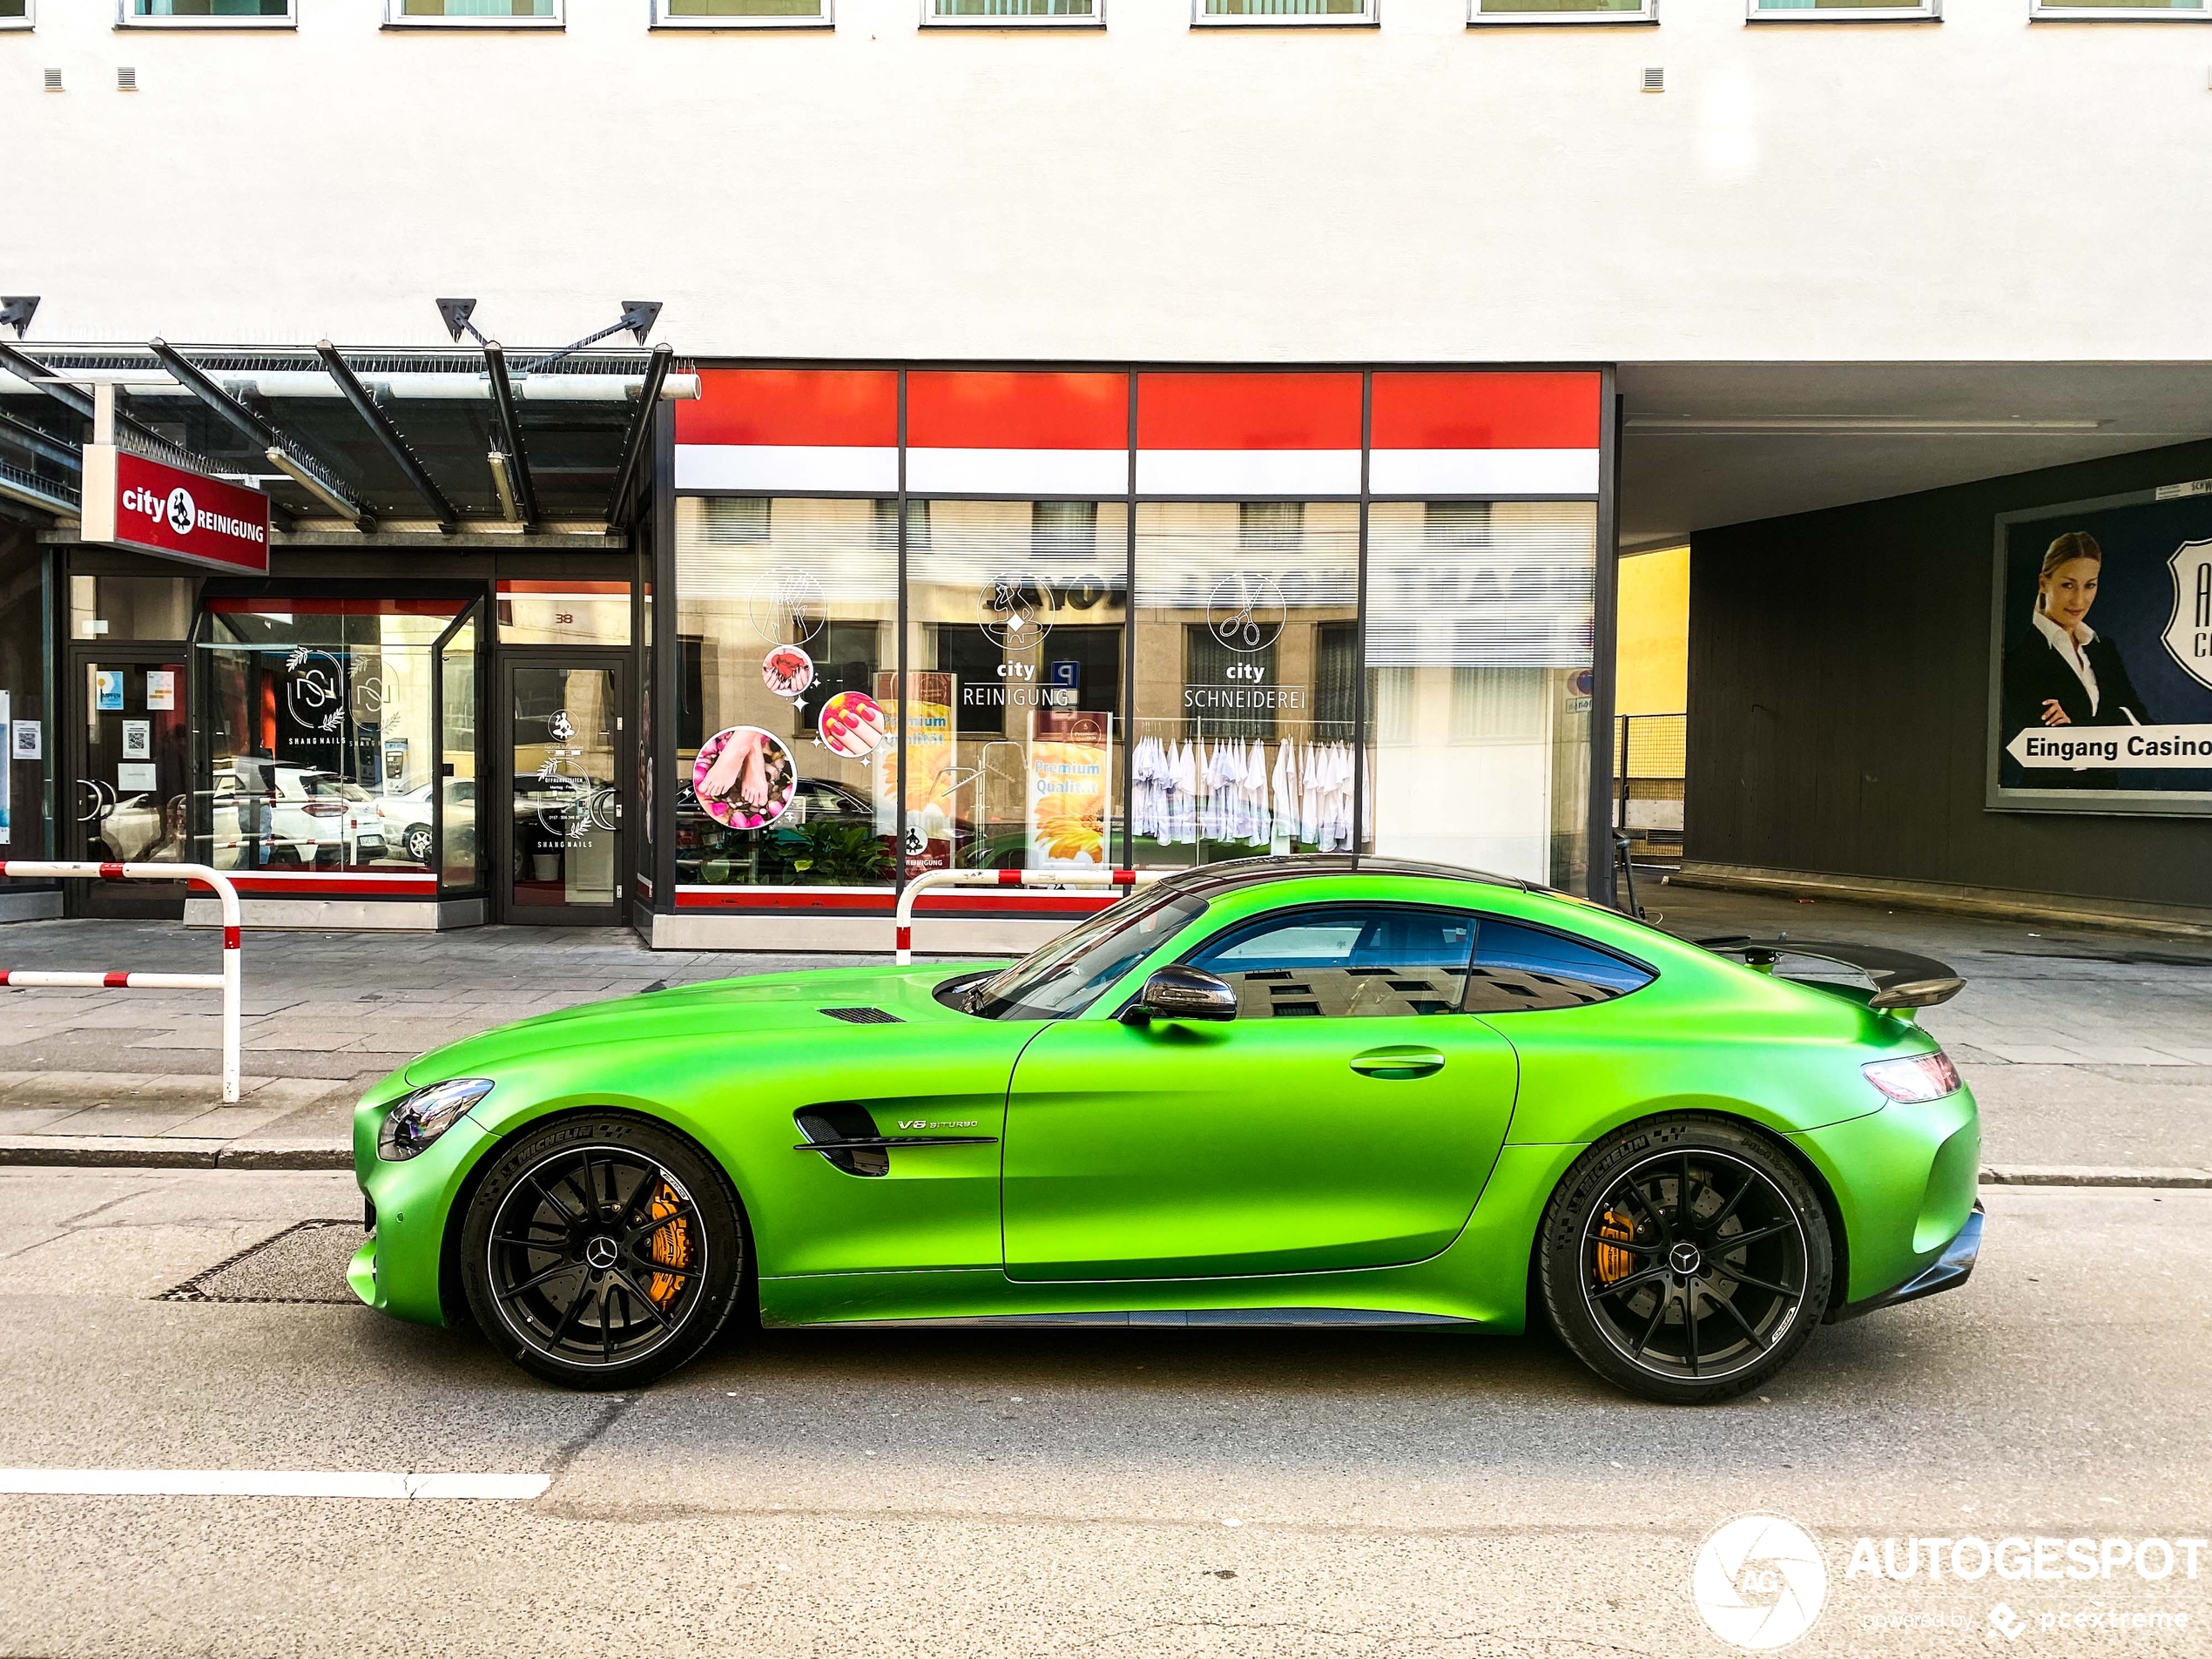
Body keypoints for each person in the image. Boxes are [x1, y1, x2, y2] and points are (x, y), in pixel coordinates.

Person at [2000, 531, 2153, 791]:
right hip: (2048, 800)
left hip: (2106, 796)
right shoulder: (2018, 658)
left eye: (2090, 585)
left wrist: (2078, 724)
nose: (2079, 600)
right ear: (2043, 583)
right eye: (2068, 585)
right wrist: (2115, 719)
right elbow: (2053, 742)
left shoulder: (2103, 649)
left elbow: (2140, 723)